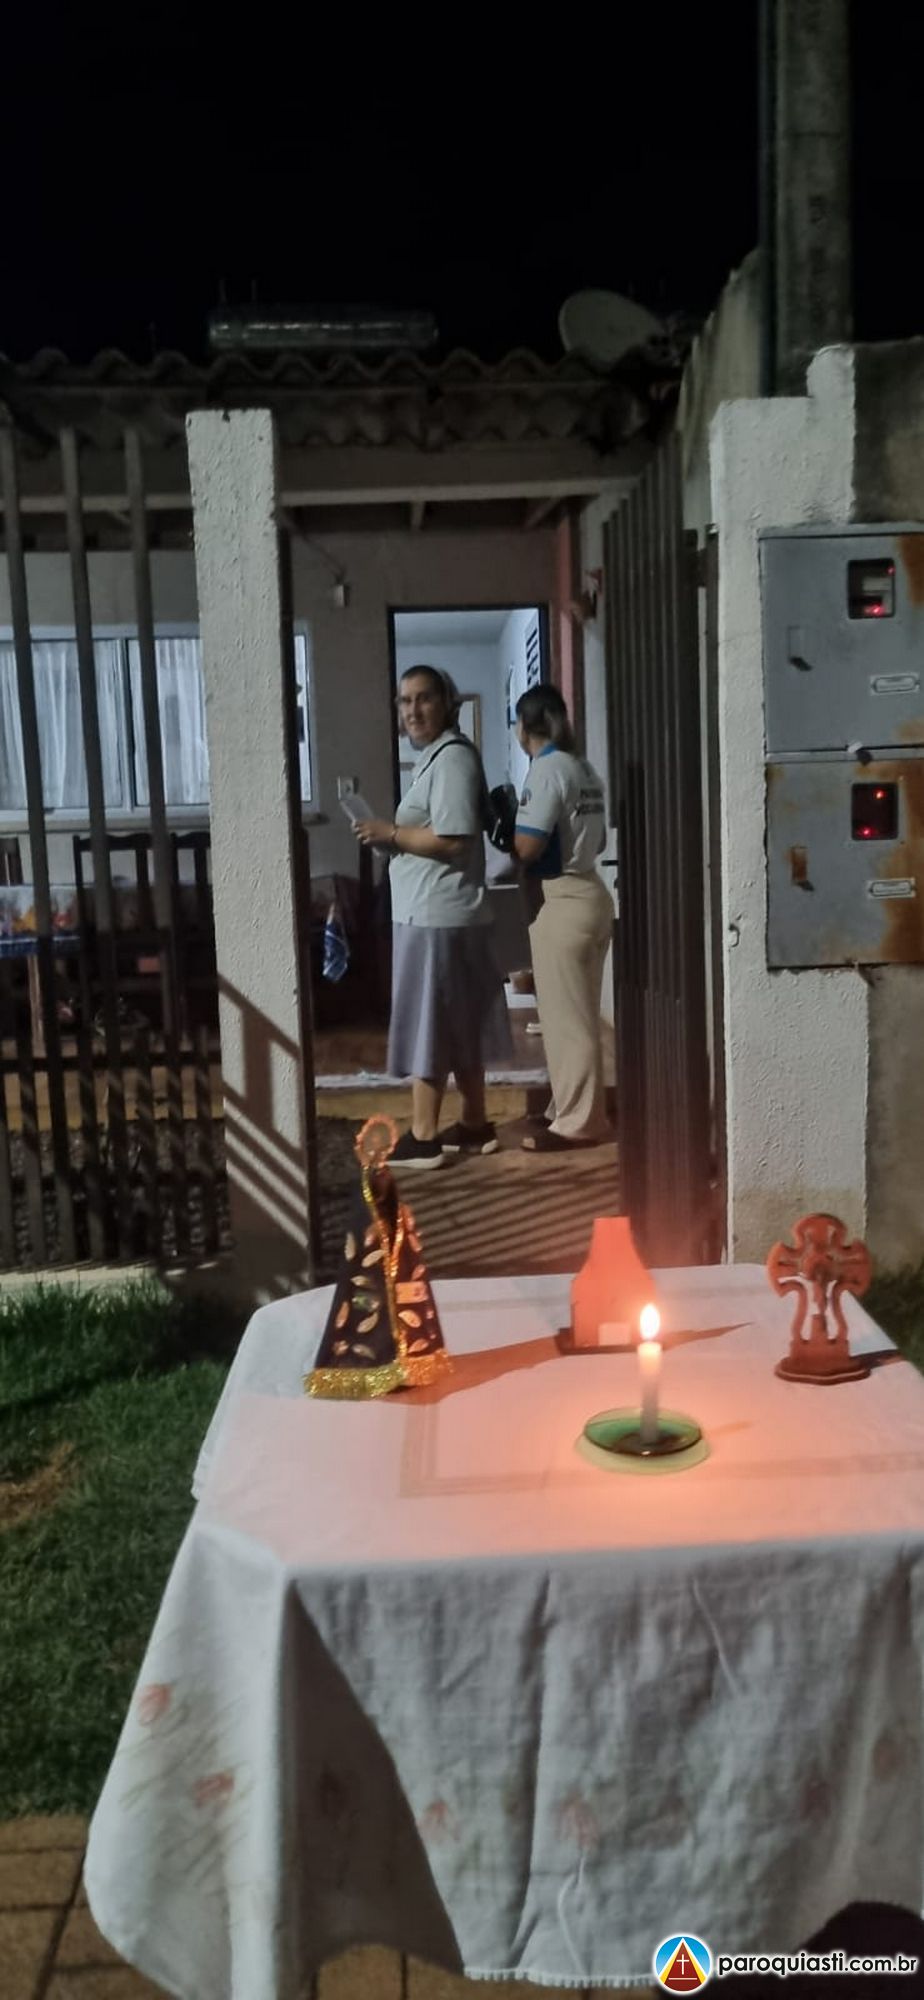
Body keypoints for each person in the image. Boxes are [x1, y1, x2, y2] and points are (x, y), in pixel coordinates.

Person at [352, 665, 512, 1168]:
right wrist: (391, 839)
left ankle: (424, 1137)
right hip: (445, 914)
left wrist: (390, 833)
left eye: (423, 698)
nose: (413, 710)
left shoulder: (452, 759)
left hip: (438, 918)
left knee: (432, 1026)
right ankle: (474, 1124)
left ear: (447, 703)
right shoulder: (440, 757)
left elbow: (453, 838)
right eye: (405, 701)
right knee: (460, 1024)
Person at [513, 683, 612, 1152]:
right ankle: (566, 1109)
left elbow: (528, 846)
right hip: (593, 893)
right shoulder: (583, 767)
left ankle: (578, 1123)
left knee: (566, 1023)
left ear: (523, 727)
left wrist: (507, 830)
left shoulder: (546, 768)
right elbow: (601, 841)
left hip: (564, 899)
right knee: (582, 1015)